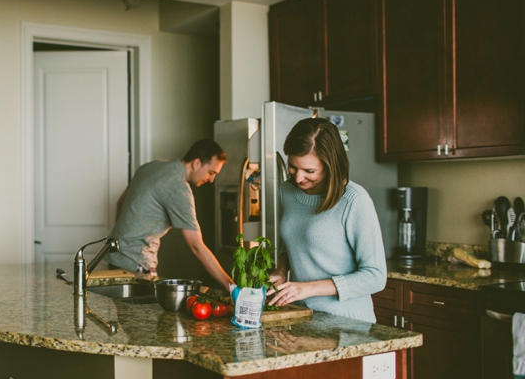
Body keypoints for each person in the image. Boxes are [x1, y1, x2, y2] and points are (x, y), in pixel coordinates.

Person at [266, 118, 386, 323]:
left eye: (309, 171)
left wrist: (307, 288)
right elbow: (295, 240)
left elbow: (375, 276)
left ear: (331, 165)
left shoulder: (354, 200)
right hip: (303, 318)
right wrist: (282, 269)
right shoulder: (287, 192)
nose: (298, 178)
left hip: (348, 323)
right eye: (293, 167)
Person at [105, 139, 234, 290]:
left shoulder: (151, 166)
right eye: (211, 172)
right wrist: (231, 287)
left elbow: (120, 202)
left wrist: (123, 240)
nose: (212, 180)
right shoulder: (178, 187)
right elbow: (196, 246)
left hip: (114, 259)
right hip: (136, 267)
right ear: (196, 163)